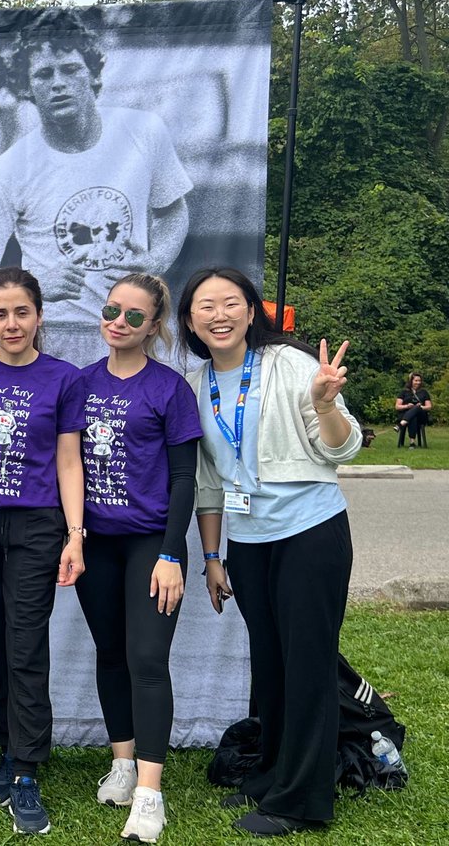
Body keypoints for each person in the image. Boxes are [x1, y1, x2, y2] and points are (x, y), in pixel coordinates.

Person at [177, 267, 361, 837]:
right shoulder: (193, 382)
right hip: (248, 542)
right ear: (190, 321)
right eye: (206, 306)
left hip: (309, 529)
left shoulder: (291, 365)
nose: (220, 314)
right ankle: (274, 774)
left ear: (252, 312)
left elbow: (344, 446)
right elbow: (208, 481)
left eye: (231, 302)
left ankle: (303, 800)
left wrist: (327, 404)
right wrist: (212, 558)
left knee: (307, 663)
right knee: (272, 664)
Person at [0, 11, 192, 367]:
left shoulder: (143, 131)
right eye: (44, 74)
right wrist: (32, 288)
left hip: (133, 328)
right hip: (55, 341)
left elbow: (173, 211)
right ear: (27, 88)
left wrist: (155, 261)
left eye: (70, 70)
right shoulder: (11, 168)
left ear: (93, 75)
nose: (58, 84)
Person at [0, 267, 86, 834]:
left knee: (25, 640)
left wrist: (75, 535)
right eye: (1, 314)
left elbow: (68, 460)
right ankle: (7, 745)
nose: (12, 324)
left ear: (38, 317)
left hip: (36, 525)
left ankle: (27, 768)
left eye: (21, 312)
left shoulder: (64, 378)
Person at [74, 272, 203, 842]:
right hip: (96, 541)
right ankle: (123, 763)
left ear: (154, 325)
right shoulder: (80, 384)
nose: (117, 322)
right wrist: (74, 535)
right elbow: (68, 466)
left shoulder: (170, 389)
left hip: (152, 541)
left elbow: (184, 479)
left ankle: (150, 793)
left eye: (133, 315)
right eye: (111, 309)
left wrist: (173, 552)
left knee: (147, 658)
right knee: (110, 652)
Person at [394, 372, 432, 446]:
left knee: (416, 408)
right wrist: (407, 406)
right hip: (405, 414)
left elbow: (429, 407)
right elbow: (397, 406)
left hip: (421, 416)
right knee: (412, 417)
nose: (418, 382)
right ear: (411, 381)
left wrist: (420, 407)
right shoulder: (404, 392)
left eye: (419, 381)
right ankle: (412, 443)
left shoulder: (424, 392)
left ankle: (400, 424)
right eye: (416, 380)